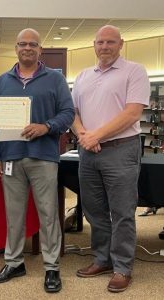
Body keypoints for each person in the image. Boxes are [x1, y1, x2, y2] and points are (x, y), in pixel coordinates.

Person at [0, 28, 74, 293]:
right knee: (14, 215)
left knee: (48, 214)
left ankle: (51, 268)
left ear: (40, 50)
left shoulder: (55, 80)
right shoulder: (2, 81)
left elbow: (68, 113)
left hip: (44, 157)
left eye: (33, 44)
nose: (27, 47)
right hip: (11, 156)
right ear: (16, 47)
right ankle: (14, 263)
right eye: (22, 43)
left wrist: (46, 126)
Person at [72, 25, 150, 293]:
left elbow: (132, 113)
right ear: (94, 45)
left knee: (122, 212)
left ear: (121, 44)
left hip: (121, 150)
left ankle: (122, 267)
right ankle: (102, 259)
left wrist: (96, 136)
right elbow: (72, 112)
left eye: (110, 42)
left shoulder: (135, 71)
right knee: (94, 210)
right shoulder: (83, 76)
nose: (104, 46)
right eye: (100, 42)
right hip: (88, 152)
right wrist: (83, 135)